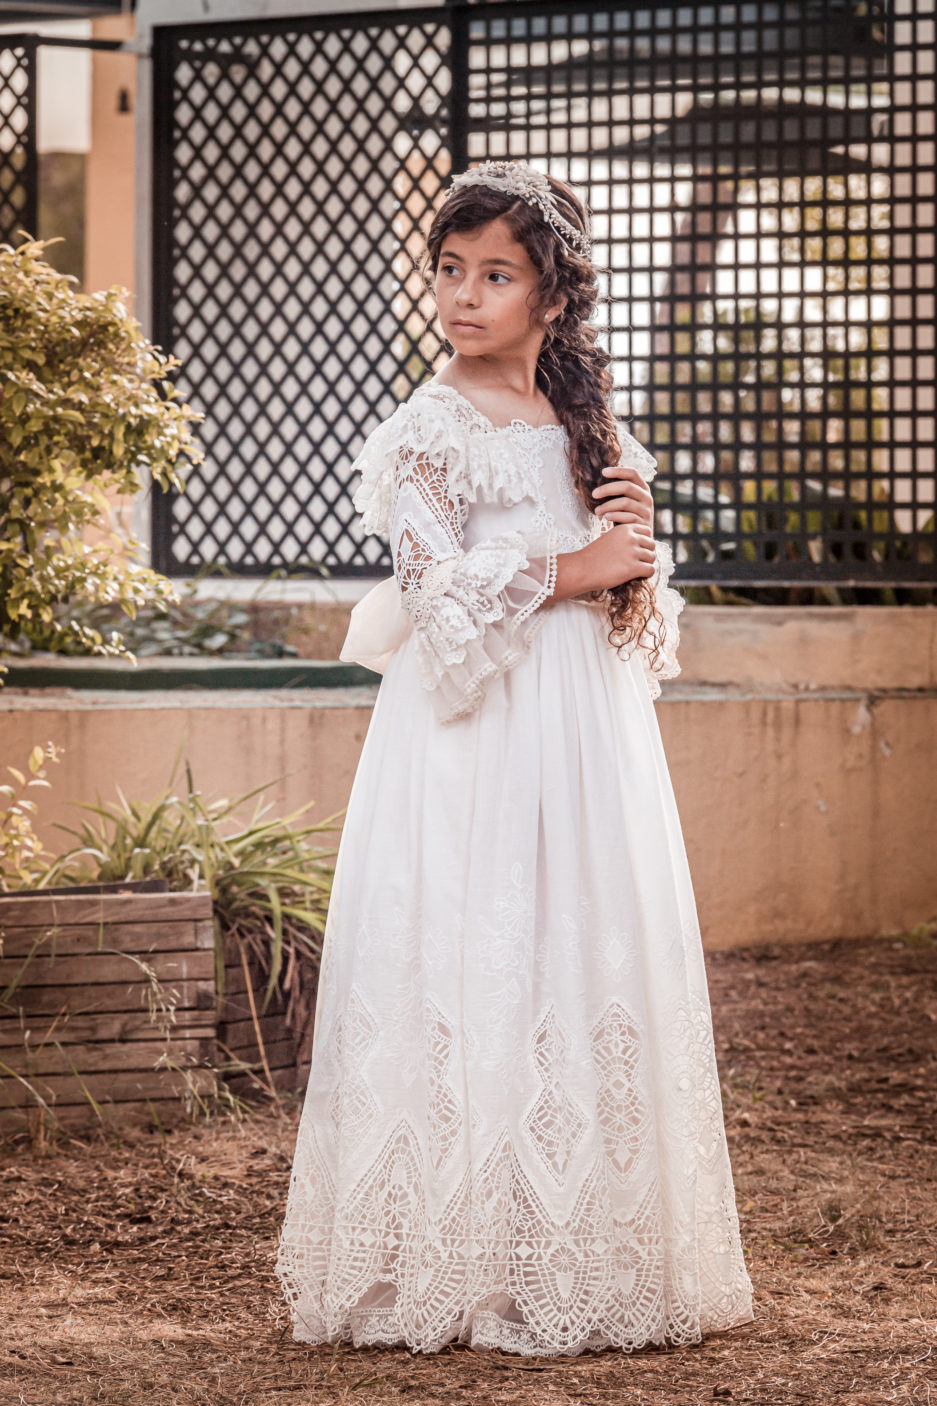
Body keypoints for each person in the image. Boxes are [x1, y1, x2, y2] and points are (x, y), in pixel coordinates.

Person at [275, 159, 753, 1358]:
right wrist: (579, 566)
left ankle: (577, 1245)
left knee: (571, 948)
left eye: (496, 274)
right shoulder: (426, 426)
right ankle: (444, 1253)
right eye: (449, 270)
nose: (464, 295)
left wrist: (631, 557)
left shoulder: (585, 418)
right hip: (472, 738)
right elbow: (433, 595)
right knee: (468, 947)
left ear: (552, 295)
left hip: (582, 733)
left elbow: (631, 598)